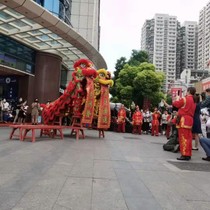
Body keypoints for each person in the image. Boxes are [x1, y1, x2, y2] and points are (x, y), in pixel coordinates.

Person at [172, 87, 196, 161]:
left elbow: (176, 104)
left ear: (188, 91)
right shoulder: (194, 100)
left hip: (184, 120)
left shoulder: (186, 98)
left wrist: (176, 98)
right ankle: (188, 154)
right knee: (189, 138)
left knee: (183, 138)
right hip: (190, 120)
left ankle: (184, 154)